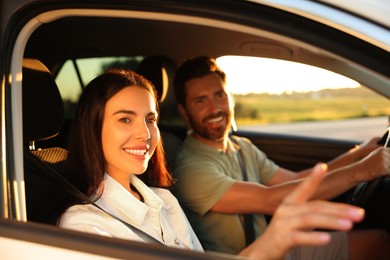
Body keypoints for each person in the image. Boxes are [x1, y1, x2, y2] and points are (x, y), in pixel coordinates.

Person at [55, 69, 365, 259]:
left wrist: (363, 154)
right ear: (92, 128)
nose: (145, 133)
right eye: (125, 119)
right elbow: (274, 198)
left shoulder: (164, 201)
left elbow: (299, 179)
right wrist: (268, 246)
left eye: (151, 119)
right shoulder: (84, 225)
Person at [172, 56, 390, 259]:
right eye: (200, 101)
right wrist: (362, 170)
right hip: (249, 255)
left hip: (275, 245)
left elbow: (295, 180)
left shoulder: (241, 147)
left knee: (379, 242)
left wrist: (358, 154)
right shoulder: (191, 168)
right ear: (184, 111)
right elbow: (274, 200)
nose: (215, 108)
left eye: (219, 95)